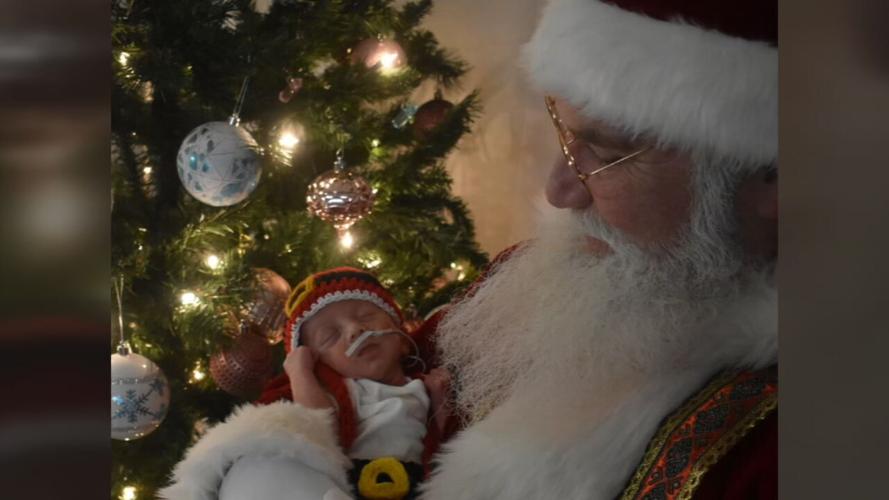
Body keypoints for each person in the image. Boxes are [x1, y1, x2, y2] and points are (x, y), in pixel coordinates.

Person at [419, 0, 778, 499]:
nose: (559, 191)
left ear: (773, 179)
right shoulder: (569, 268)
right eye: (564, 137)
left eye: (605, 154)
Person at [160, 267, 451, 500]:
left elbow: (436, 444)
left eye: (366, 317)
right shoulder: (349, 390)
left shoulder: (418, 387)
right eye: (331, 336)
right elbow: (317, 425)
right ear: (322, 364)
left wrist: (439, 401)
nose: (355, 330)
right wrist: (300, 372)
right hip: (351, 481)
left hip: (408, 483)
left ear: (402, 341)